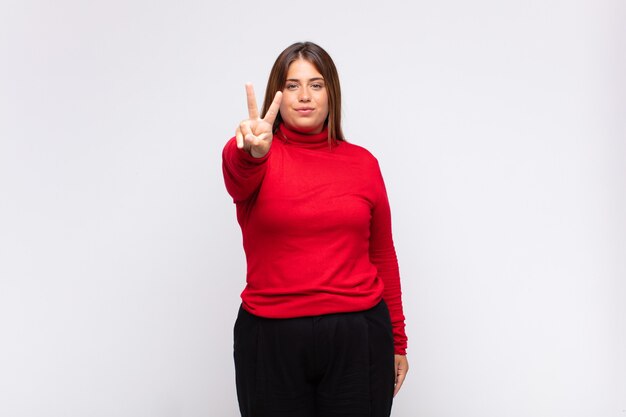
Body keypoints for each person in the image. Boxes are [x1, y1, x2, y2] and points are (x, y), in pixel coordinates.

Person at [222, 41, 408, 417]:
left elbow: (381, 253)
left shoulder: (363, 163)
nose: (304, 96)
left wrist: (398, 340)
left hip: (359, 336)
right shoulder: (254, 155)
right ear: (279, 92)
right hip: (271, 337)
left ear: (331, 94)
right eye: (292, 85)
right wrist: (251, 151)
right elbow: (237, 168)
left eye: (316, 84)